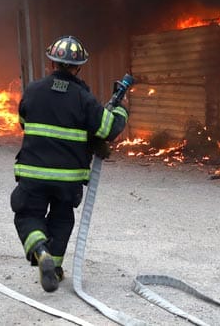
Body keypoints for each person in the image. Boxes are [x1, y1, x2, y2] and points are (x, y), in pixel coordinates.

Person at [11, 35, 129, 292]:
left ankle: (40, 250)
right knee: (62, 219)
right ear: (78, 68)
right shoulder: (83, 98)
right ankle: (54, 267)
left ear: (52, 63)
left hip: (33, 173)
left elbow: (23, 122)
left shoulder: (33, 90)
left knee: (28, 214)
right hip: (68, 178)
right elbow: (108, 128)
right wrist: (122, 109)